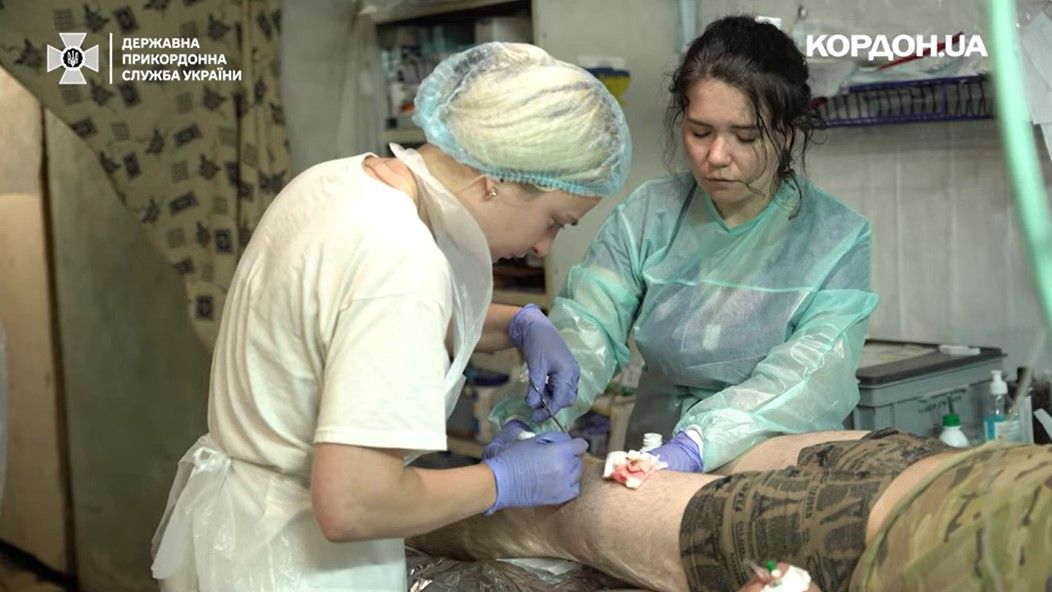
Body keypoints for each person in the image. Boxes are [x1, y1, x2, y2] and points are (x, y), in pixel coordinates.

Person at [149, 42, 631, 591]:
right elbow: (355, 504)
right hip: (297, 564)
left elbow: (350, 324)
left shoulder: (340, 182)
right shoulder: (403, 261)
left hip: (236, 530)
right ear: (496, 179)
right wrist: (501, 481)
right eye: (555, 221)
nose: (544, 248)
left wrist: (519, 325)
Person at [489, 15, 879, 474]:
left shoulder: (836, 237)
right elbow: (588, 326)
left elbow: (812, 372)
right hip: (656, 446)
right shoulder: (648, 215)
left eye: (746, 136)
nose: (716, 156)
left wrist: (699, 443)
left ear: (788, 131)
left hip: (774, 462)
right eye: (699, 132)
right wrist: (531, 417)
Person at [408, 431, 1052, 592]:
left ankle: (399, 516)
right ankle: (396, 520)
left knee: (572, 505)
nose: (719, 155)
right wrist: (701, 440)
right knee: (571, 502)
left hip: (947, 482)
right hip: (943, 483)